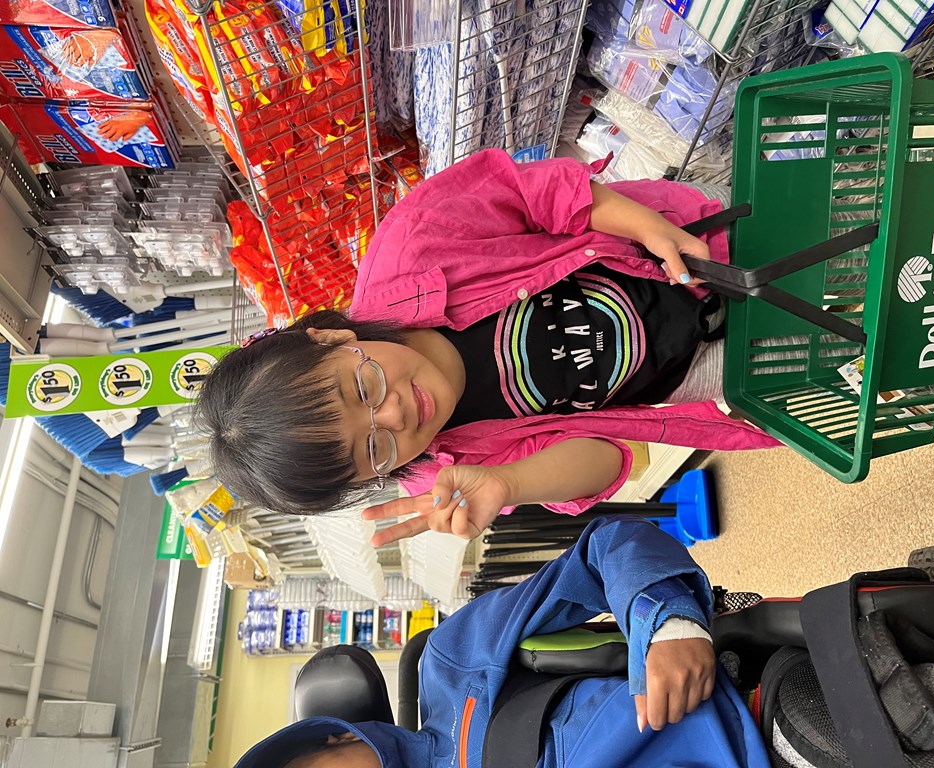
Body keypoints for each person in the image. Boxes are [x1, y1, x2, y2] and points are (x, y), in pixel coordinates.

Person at [196, 149, 778, 544]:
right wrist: (508, 485)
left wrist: (651, 230)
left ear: (329, 337)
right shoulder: (446, 474)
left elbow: (537, 193)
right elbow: (606, 457)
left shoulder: (412, 246)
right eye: (373, 448)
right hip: (693, 370)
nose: (395, 415)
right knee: (820, 355)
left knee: (818, 232)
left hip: (684, 236)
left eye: (364, 387)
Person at [231, 516, 771, 768]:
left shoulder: (453, 668)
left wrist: (667, 625)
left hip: (747, 726)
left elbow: (604, 550)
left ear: (334, 738)